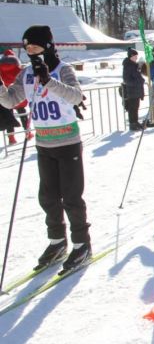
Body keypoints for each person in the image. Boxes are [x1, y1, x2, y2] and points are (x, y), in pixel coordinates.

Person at [0, 25, 92, 272]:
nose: (31, 52)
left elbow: (76, 97)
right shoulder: (26, 73)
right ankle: (57, 241)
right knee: (48, 197)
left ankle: (82, 243)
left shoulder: (64, 70)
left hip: (67, 142)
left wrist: (49, 81)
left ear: (48, 47)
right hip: (43, 143)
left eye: (36, 47)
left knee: (71, 197)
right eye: (27, 47)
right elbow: (10, 100)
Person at [0, 49, 32, 144]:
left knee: (10, 118)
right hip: (19, 96)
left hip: (5, 97)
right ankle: (28, 133)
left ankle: (11, 138)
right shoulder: (19, 68)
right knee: (23, 115)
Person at [122, 48, 146, 131]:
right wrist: (138, 82)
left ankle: (135, 122)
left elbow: (137, 76)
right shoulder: (128, 66)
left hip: (136, 91)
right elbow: (127, 80)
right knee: (132, 108)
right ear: (131, 56)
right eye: (135, 56)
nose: (136, 57)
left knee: (136, 107)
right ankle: (132, 123)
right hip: (131, 91)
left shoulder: (134, 65)